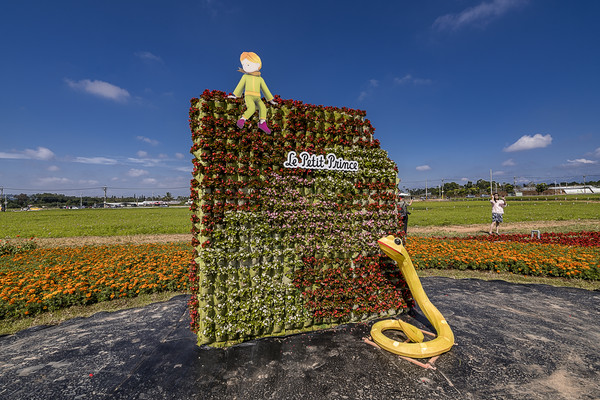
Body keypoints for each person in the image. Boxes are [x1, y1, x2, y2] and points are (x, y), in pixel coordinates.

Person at [227, 51, 277, 134]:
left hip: (257, 97)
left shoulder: (260, 79)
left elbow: (265, 89)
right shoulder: (245, 76)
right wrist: (236, 95)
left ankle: (262, 123)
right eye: (244, 65)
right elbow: (240, 85)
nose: (245, 67)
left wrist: (270, 99)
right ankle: (242, 119)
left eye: (248, 64)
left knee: (263, 107)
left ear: (257, 65)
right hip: (248, 96)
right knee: (252, 108)